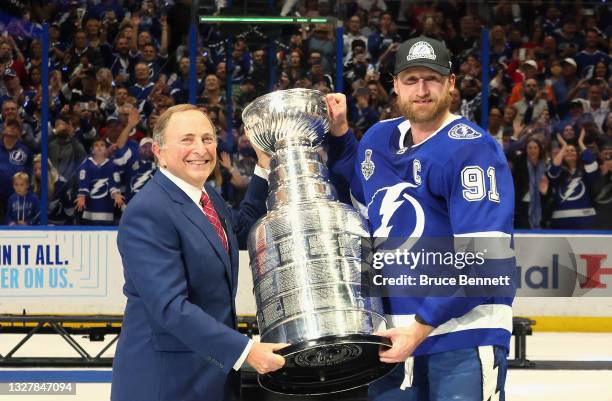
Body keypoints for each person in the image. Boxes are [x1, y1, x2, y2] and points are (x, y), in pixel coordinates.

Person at [325, 36, 515, 400]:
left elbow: (486, 261)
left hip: (461, 335)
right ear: (395, 85)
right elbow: (361, 197)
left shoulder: (472, 148)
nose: (422, 90)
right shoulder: (379, 139)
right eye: (411, 80)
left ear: (451, 84)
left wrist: (421, 325)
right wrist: (339, 135)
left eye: (432, 78)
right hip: (391, 340)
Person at [111, 104, 286, 401]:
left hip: (209, 375)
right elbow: (170, 307)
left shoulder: (207, 197)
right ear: (159, 152)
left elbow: (240, 230)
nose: (200, 148)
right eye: (187, 139)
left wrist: (264, 165)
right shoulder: (148, 211)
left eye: (207, 139)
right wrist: (246, 351)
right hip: (165, 383)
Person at [75, 137, 124, 225]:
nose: (99, 147)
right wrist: (82, 196)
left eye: (102, 145)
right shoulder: (86, 165)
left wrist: (116, 195)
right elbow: (83, 183)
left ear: (106, 149)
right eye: (96, 145)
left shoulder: (112, 165)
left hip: (106, 212)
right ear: (92, 150)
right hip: (89, 213)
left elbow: (114, 184)